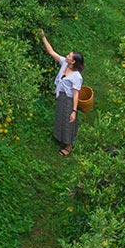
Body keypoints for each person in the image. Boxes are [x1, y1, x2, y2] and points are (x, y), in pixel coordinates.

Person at [39, 28, 83, 156]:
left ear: (73, 61)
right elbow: (52, 52)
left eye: (69, 56)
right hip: (61, 97)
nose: (67, 56)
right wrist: (43, 37)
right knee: (60, 118)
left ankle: (68, 146)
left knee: (69, 121)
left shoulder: (77, 77)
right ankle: (60, 137)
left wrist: (74, 110)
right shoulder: (65, 63)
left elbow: (76, 94)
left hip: (69, 101)